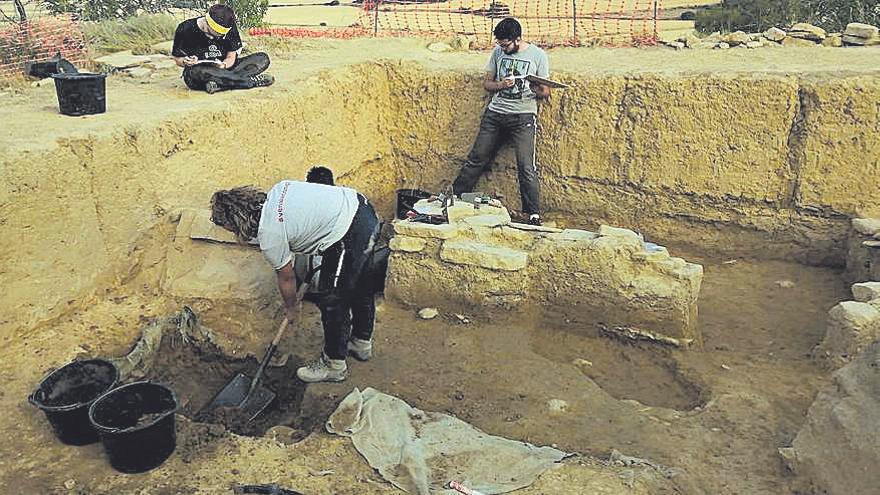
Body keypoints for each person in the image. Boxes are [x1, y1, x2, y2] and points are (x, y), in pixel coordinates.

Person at [210, 179, 380, 383]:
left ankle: (334, 365)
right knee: (361, 286)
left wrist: (291, 307)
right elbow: (308, 219)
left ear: (236, 222)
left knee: (334, 301)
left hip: (347, 234)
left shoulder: (270, 234)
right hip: (362, 208)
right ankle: (361, 343)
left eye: (230, 228)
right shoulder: (279, 189)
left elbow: (286, 277)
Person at [452, 17, 551, 226]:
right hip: (495, 115)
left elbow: (545, 91)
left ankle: (532, 214)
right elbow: (487, 84)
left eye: (506, 45)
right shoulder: (497, 53)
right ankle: (454, 198)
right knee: (476, 158)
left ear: (517, 39)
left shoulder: (538, 55)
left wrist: (535, 88)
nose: (502, 49)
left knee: (526, 166)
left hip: (523, 116)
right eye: (500, 44)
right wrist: (501, 85)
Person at [172, 4, 274, 94]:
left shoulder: (230, 27)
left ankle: (220, 84)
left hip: (226, 68)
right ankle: (249, 82)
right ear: (207, 23)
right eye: (215, 34)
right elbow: (178, 59)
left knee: (262, 59)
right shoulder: (185, 28)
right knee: (194, 72)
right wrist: (185, 61)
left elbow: (231, 56)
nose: (217, 38)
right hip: (202, 72)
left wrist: (224, 65)